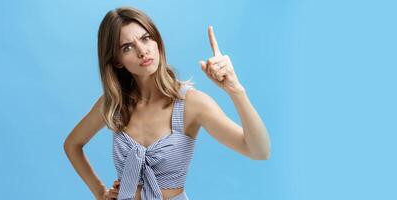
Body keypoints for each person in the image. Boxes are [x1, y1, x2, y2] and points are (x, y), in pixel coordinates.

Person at [64, 6, 271, 200]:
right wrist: (100, 192)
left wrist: (236, 91)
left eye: (145, 38)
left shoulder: (190, 104)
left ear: (157, 40)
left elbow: (259, 151)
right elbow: (72, 144)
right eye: (127, 47)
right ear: (117, 59)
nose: (142, 51)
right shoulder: (114, 104)